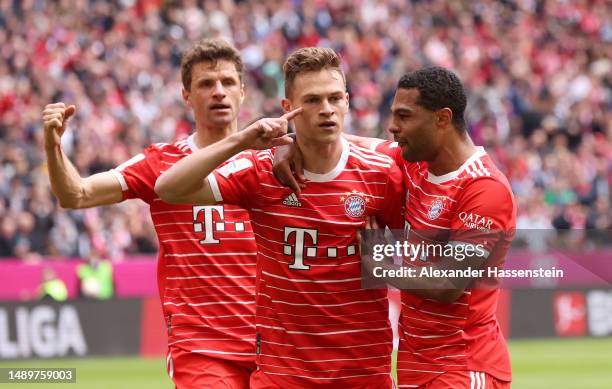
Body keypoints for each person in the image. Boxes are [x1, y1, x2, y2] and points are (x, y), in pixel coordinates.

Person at [155, 47, 405, 388]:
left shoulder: (382, 171)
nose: (326, 110)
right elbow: (169, 188)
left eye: (334, 99)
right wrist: (242, 139)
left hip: (363, 374)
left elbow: (432, 267)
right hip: (283, 376)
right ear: (288, 109)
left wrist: (384, 260)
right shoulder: (260, 173)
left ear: (347, 101)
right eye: (313, 101)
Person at [275, 67, 516, 388]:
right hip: (417, 365)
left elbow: (448, 284)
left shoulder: (484, 188)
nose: (393, 127)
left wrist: (380, 266)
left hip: (464, 364)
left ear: (442, 119)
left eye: (404, 116)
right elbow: (336, 140)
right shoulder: (413, 162)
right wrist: (289, 142)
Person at [42, 38, 258, 388]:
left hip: (275, 346)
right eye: (206, 84)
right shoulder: (160, 162)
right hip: (202, 348)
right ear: (187, 96)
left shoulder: (272, 162)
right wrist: (53, 146)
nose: (219, 92)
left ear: (243, 92)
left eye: (228, 82)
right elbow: (76, 194)